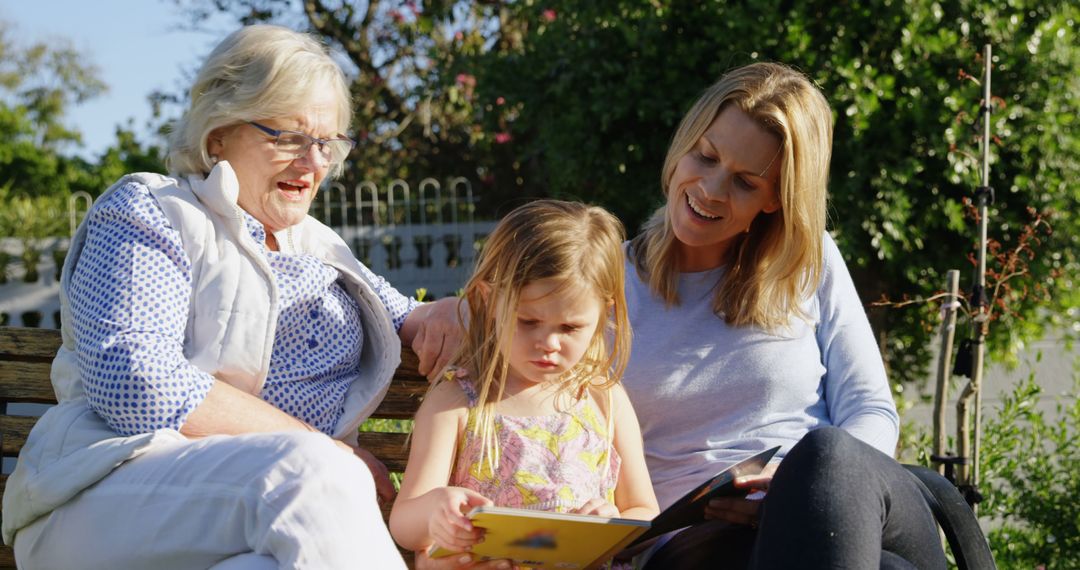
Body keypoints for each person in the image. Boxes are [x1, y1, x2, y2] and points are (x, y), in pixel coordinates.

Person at [2, 25, 462, 569]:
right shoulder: (152, 211)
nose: (313, 162)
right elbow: (133, 377)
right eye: (287, 136)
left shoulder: (321, 248)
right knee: (310, 471)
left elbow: (410, 316)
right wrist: (321, 446)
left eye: (328, 142)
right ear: (217, 133)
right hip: (103, 493)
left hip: (255, 525)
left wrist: (447, 310)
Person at [618, 61, 947, 569]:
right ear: (686, 142)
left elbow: (872, 410)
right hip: (698, 545)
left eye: (746, 183)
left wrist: (797, 487)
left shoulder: (811, 261)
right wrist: (456, 314)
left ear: (777, 200)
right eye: (705, 156)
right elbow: (516, 330)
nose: (710, 189)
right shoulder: (605, 282)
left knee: (828, 459)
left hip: (838, 502)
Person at [389, 200, 659, 565]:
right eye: (528, 321)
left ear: (603, 314)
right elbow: (404, 521)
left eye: (570, 327)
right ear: (487, 300)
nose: (548, 343)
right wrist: (436, 511)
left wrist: (612, 521)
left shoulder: (602, 398)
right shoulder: (459, 401)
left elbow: (645, 510)